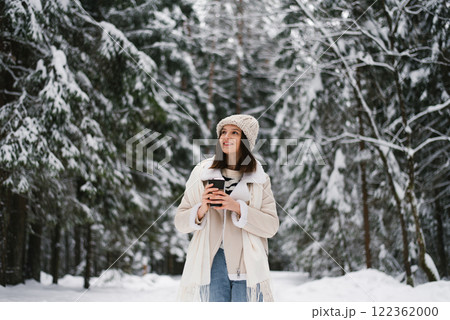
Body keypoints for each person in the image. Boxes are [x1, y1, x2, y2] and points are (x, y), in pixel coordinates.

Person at [174, 114, 279, 302]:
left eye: (234, 132)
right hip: (212, 263)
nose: (225, 137)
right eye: (223, 132)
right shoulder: (201, 173)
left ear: (246, 141)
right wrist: (201, 208)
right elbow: (180, 222)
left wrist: (238, 208)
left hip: (247, 265)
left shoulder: (259, 178)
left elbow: (271, 226)